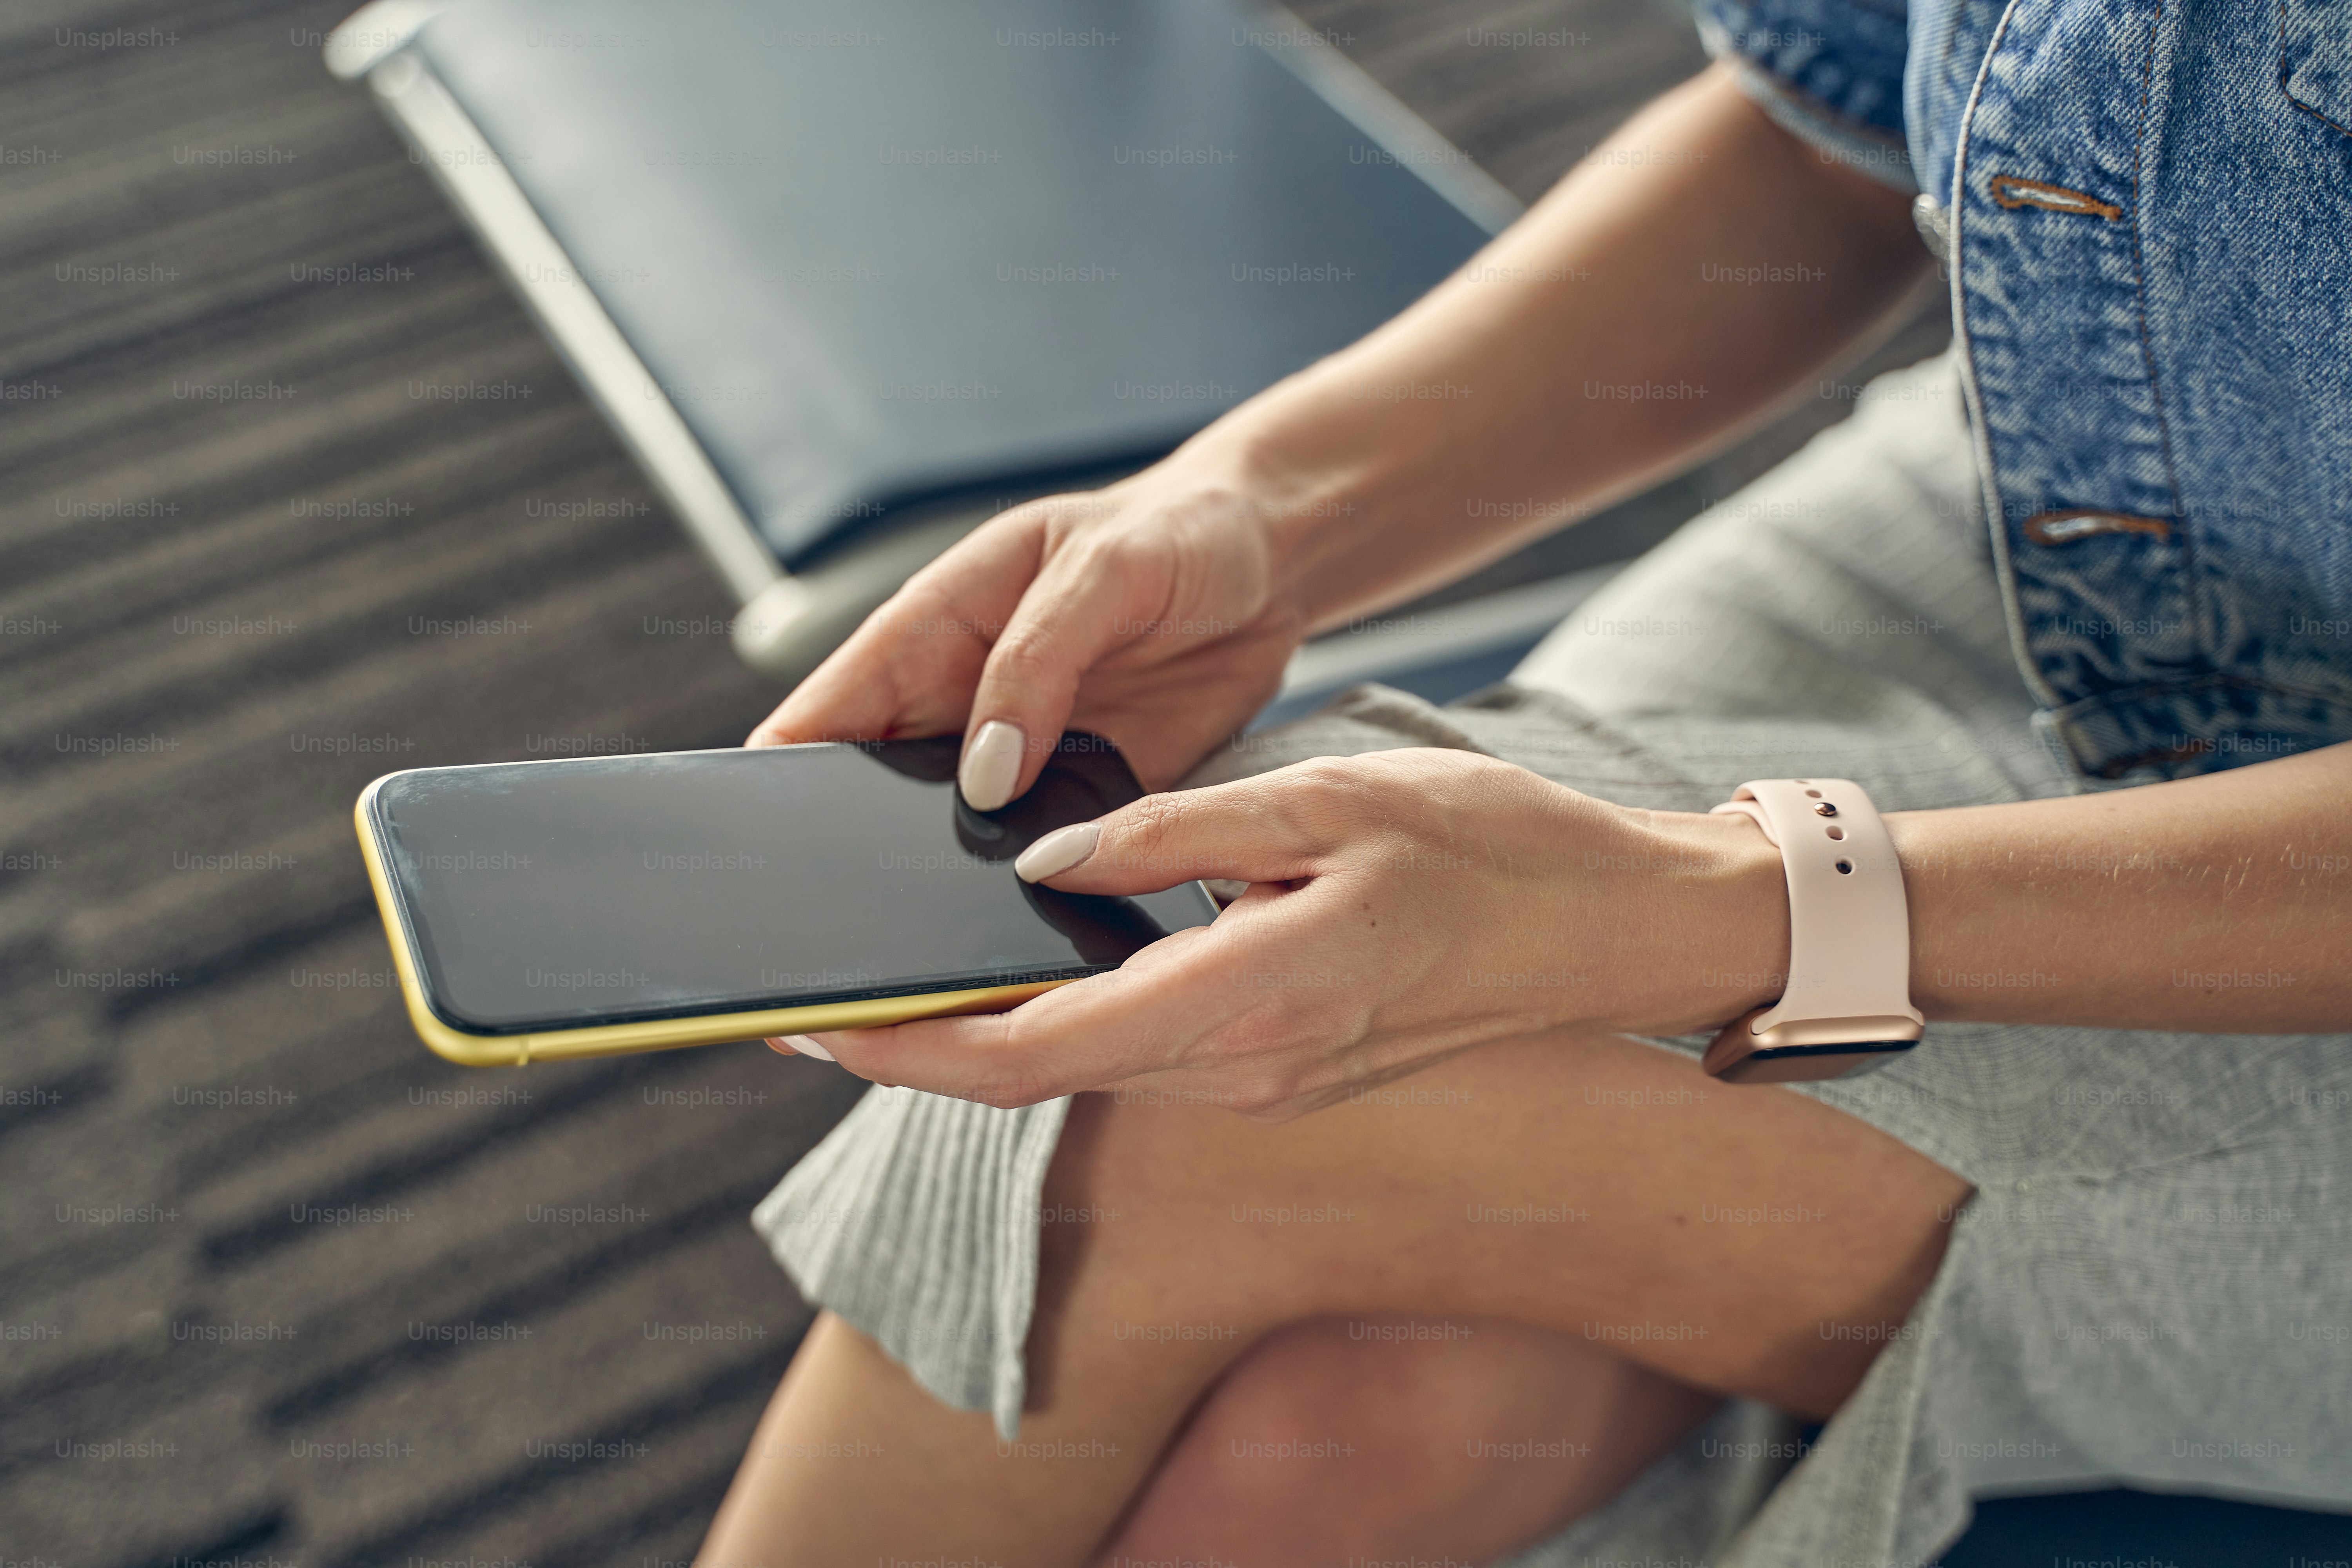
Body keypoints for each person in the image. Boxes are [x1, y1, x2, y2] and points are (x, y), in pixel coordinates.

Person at [695, 0, 2352, 1558]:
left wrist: (1703, 913)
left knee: (1171, 1097)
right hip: (2060, 516)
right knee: (1363, 1395)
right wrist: (1262, 514)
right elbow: (1817, 135)